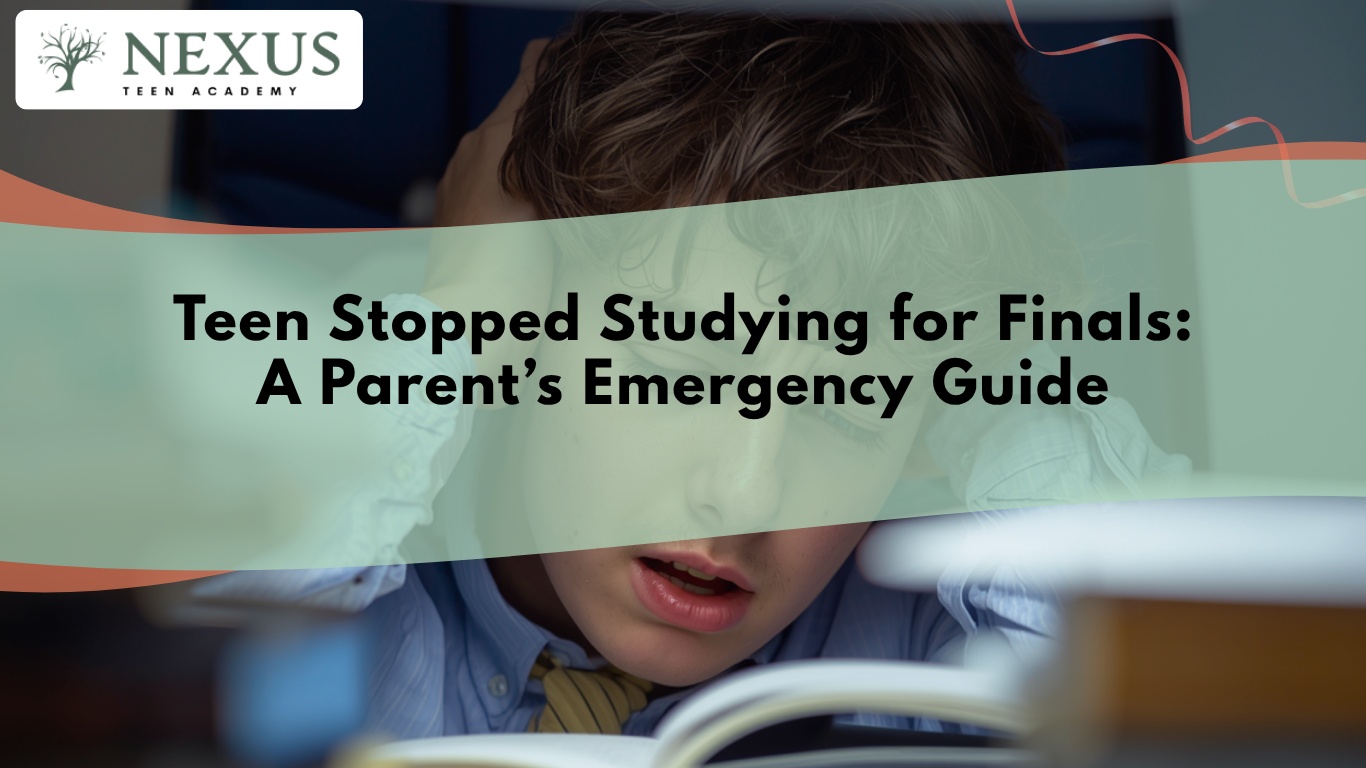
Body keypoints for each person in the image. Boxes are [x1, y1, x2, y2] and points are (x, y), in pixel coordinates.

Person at [195, 12, 1186, 741]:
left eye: (848, 410)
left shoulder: (940, 638)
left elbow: (1182, 690)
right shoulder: (340, 523)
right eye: (673, 367)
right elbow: (197, 612)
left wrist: (968, 340)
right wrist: (463, 313)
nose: (742, 494)